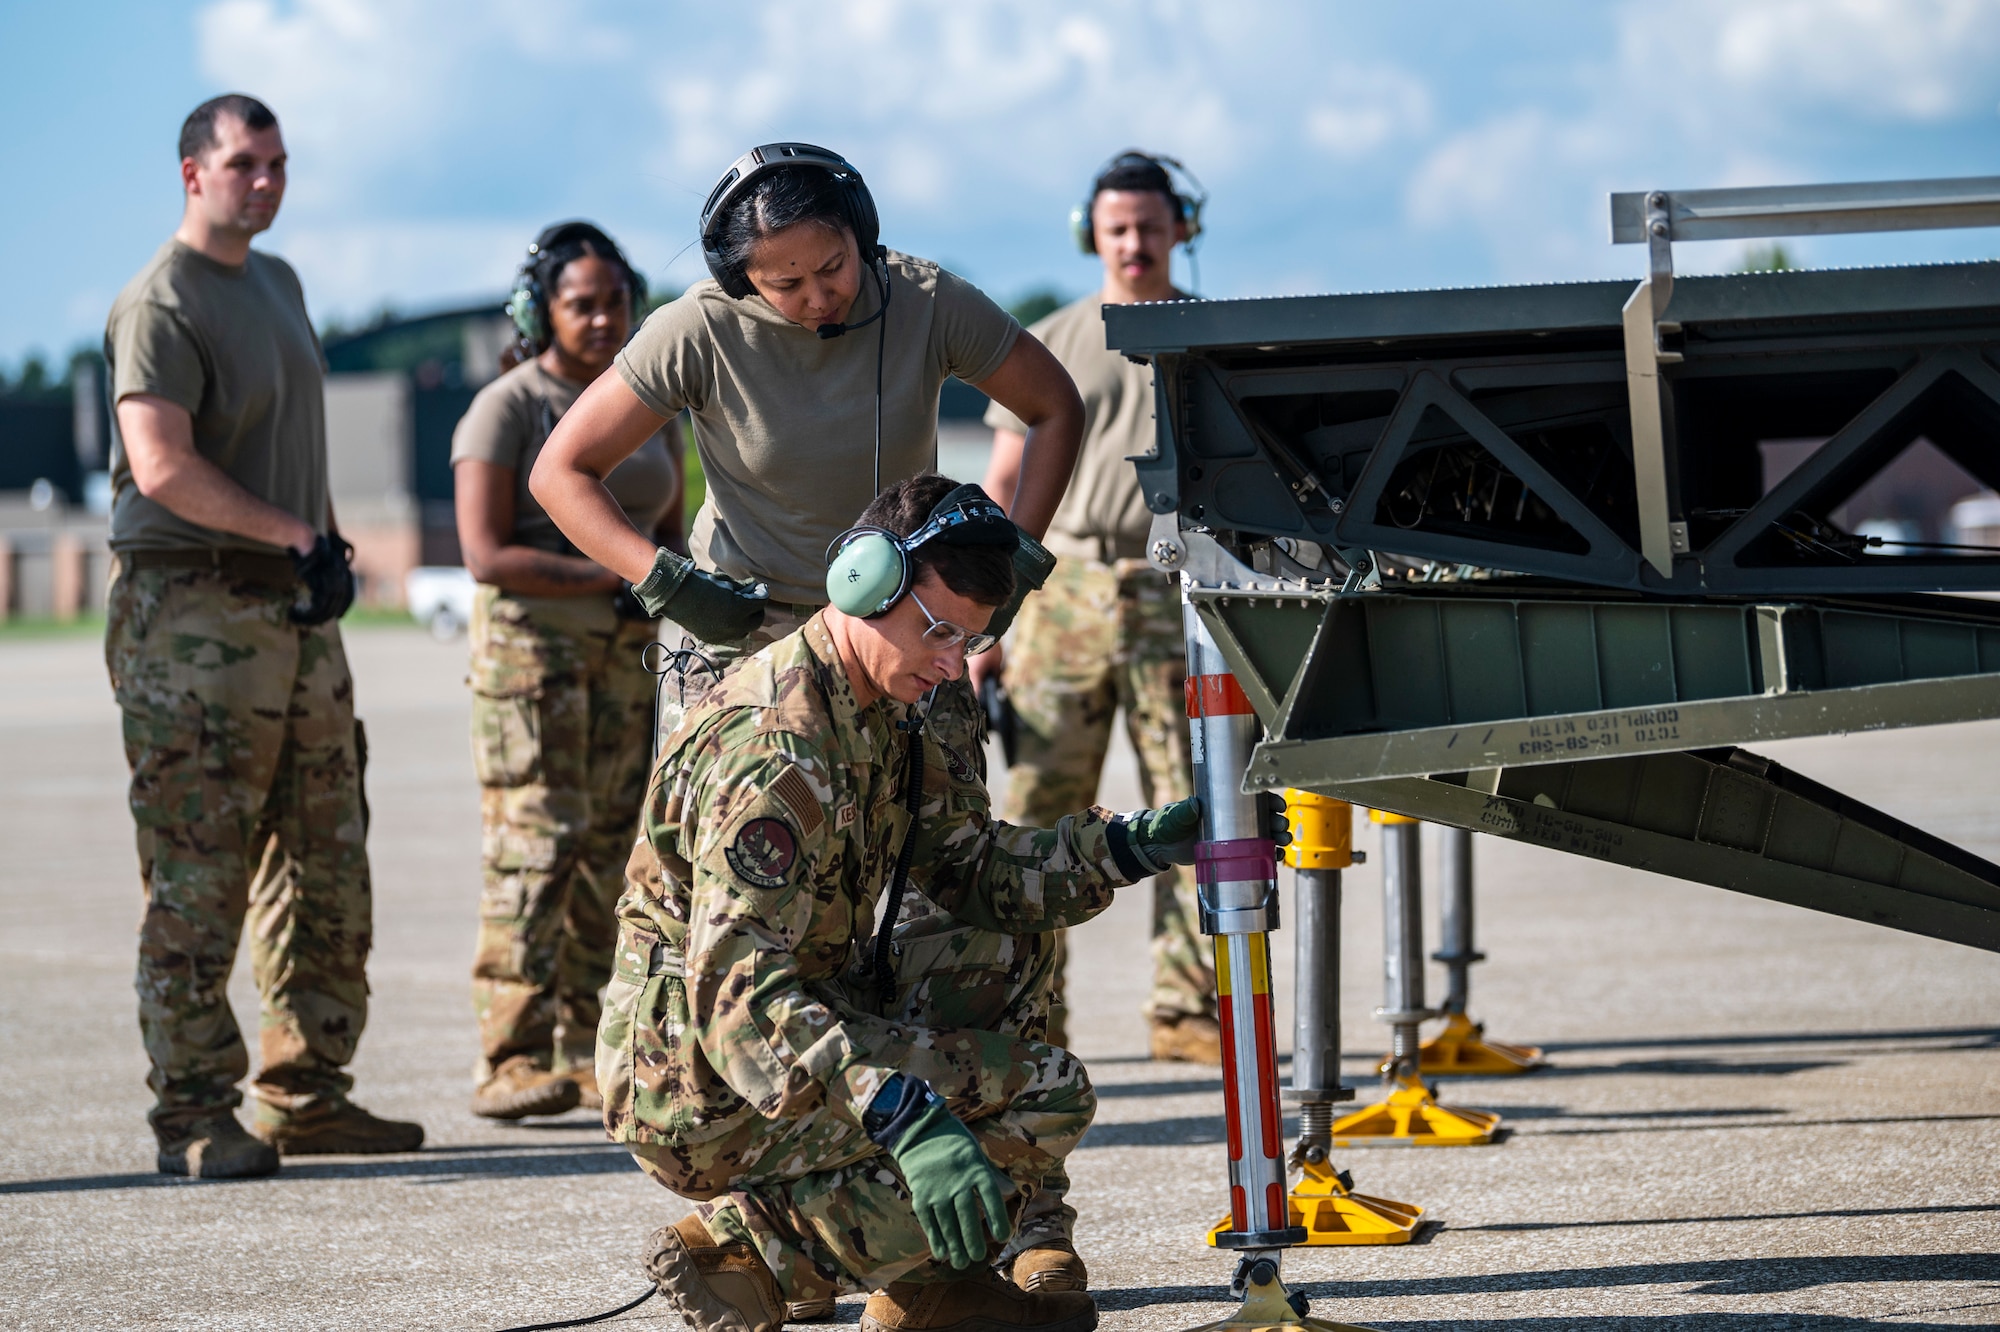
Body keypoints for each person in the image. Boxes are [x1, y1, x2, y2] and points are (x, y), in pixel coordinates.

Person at [602, 474, 1207, 1332]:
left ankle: (923, 1280)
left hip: (814, 1010)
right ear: (863, 583)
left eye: (970, 639)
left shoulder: (903, 697)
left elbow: (967, 867)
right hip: (698, 1081)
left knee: (1005, 942)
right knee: (1047, 1093)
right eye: (937, 631)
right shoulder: (776, 751)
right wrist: (896, 1107)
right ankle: (744, 1251)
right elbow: (734, 989)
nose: (953, 661)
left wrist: (1124, 847)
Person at [102, 93, 423, 1178]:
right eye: (246, 164)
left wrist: (320, 542)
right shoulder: (161, 301)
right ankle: (191, 1116)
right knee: (200, 870)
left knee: (327, 855)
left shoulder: (278, 284)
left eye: (280, 163)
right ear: (194, 173)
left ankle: (307, 1091)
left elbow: (293, 446)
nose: (268, 182)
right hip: (191, 611)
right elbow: (161, 466)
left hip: (291, 607)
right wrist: (297, 533)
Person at [529, 142, 1083, 681]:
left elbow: (1054, 405)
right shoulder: (697, 329)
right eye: (786, 284)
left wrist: (1018, 564)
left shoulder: (927, 301)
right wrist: (669, 583)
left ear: (861, 231)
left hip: (904, 625)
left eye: (834, 266)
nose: (819, 298)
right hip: (751, 641)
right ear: (739, 276)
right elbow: (561, 472)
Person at [975, 152, 1219, 1063]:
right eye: (1117, 227)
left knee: (1192, 799)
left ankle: (1186, 1006)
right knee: (1042, 810)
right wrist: (983, 626)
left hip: (1179, 588)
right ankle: (1031, 1015)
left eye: (1151, 227)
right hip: (1061, 588)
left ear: (1179, 229)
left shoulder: (1215, 336)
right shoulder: (1051, 341)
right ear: (1092, 235)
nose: (1134, 243)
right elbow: (1003, 485)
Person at [451, 222, 682, 1121]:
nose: (599, 318)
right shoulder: (508, 406)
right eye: (579, 303)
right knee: (536, 847)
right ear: (538, 311)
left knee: (608, 852)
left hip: (621, 654)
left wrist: (668, 592)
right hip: (532, 659)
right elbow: (485, 553)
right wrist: (615, 573)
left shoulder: (645, 406)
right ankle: (507, 1054)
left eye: (614, 301)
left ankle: (586, 1048)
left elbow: (666, 527)